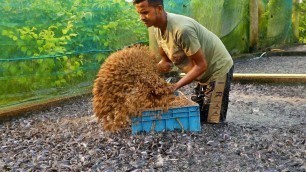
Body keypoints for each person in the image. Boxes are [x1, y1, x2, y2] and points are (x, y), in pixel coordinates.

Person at [133, 0, 234, 124]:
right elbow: (166, 62)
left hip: (217, 67)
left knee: (212, 121)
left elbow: (201, 65)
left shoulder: (182, 30)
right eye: (139, 13)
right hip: (201, 73)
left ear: (159, 9)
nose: (141, 18)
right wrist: (146, 77)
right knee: (199, 117)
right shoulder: (157, 29)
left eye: (145, 12)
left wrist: (174, 86)